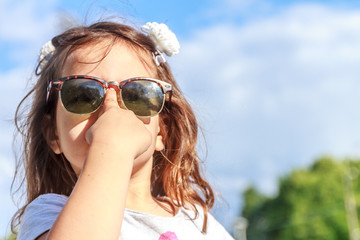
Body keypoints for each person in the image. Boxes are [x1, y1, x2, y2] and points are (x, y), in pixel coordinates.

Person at [11, 20, 234, 240]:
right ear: (53, 133)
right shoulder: (48, 215)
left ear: (160, 132)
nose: (111, 109)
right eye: (83, 95)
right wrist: (111, 147)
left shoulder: (197, 223)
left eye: (137, 95)